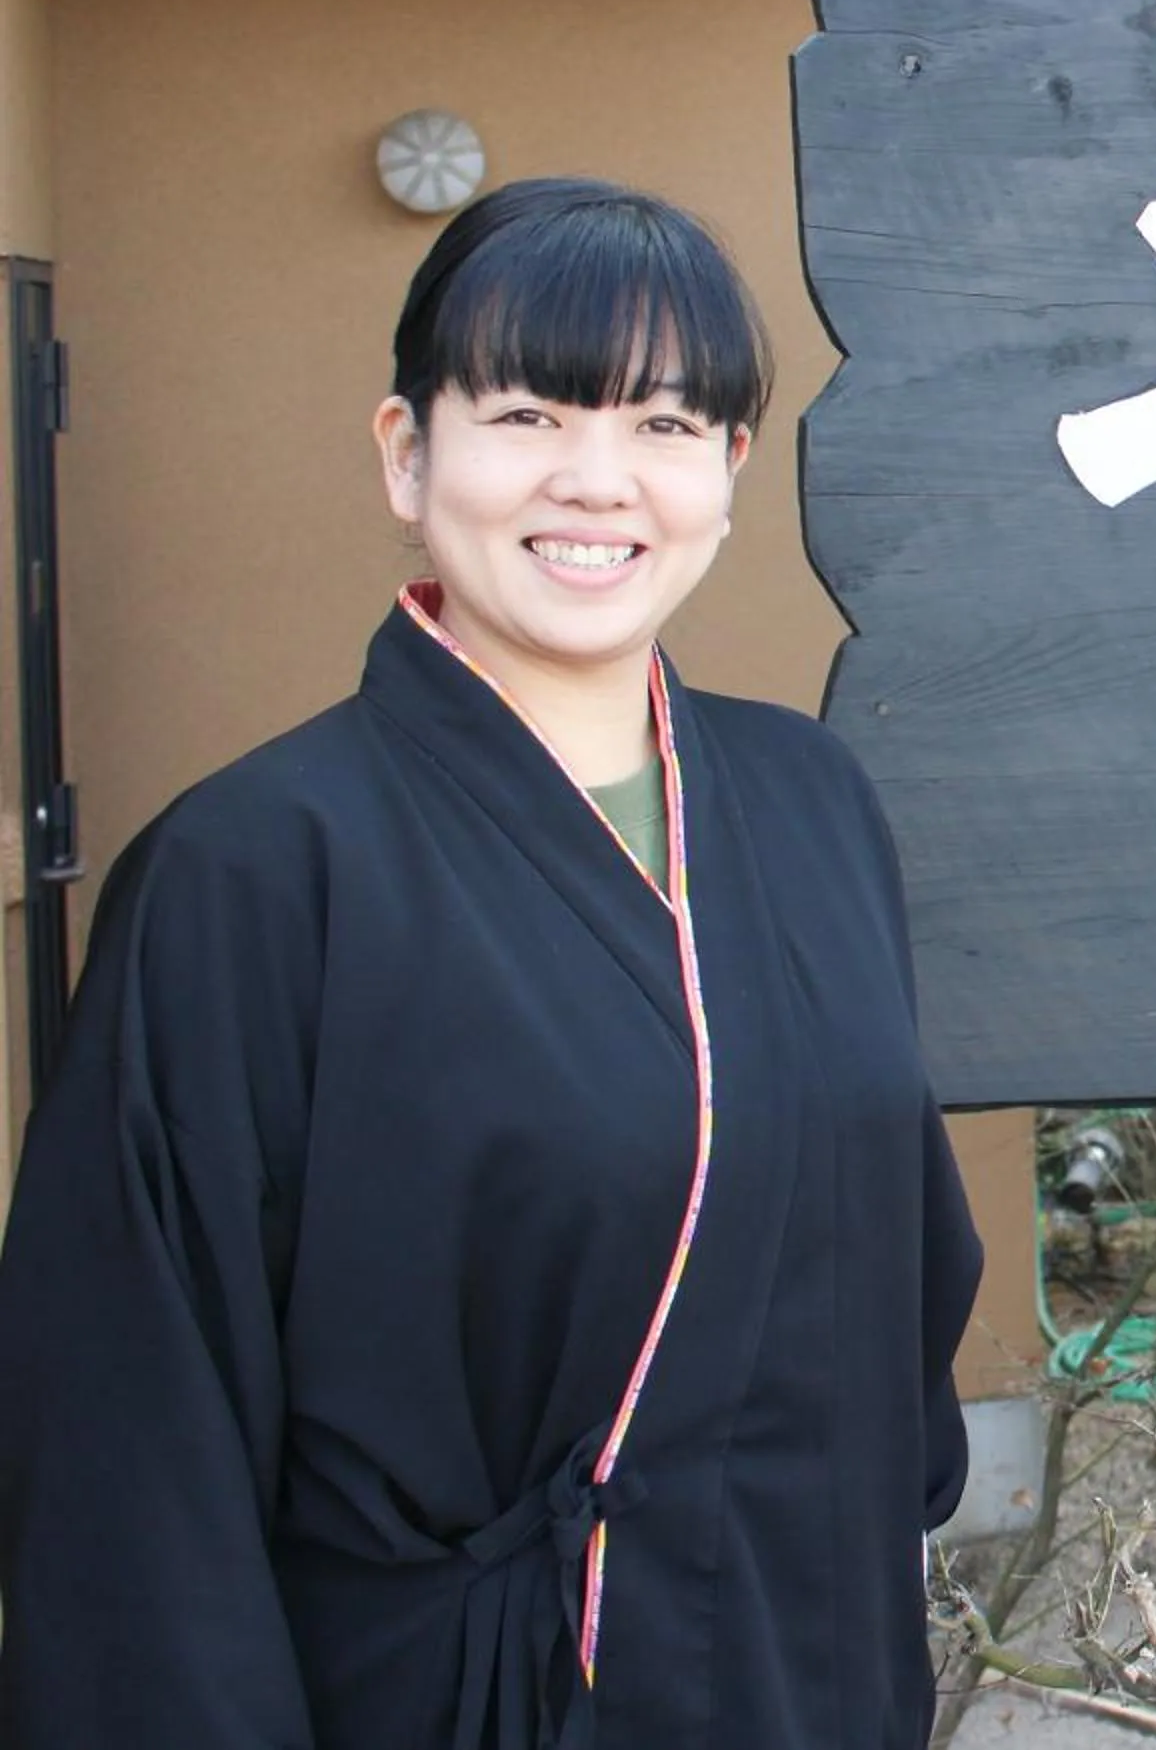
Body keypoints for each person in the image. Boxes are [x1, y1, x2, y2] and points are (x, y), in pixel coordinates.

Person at [0, 179, 984, 1748]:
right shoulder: (253, 870)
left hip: (801, 1659)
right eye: (530, 413)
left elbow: (895, 1280)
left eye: (666, 426)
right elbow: (135, 1447)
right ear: (409, 453)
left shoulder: (808, 802)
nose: (599, 482)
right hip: (453, 1695)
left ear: (731, 470)